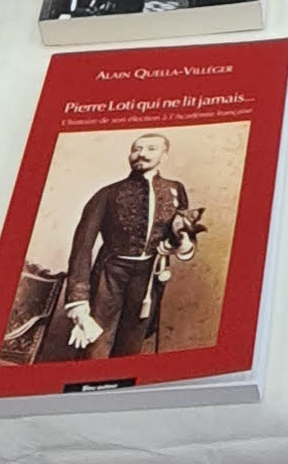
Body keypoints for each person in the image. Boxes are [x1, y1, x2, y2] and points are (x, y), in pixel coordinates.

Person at [62, 131, 202, 359]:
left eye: (151, 149)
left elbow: (182, 230)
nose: (141, 154)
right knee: (95, 346)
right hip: (109, 275)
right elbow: (82, 247)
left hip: (148, 277)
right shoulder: (107, 194)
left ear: (164, 156)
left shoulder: (176, 190)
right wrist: (78, 299)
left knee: (131, 346)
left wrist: (181, 243)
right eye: (136, 149)